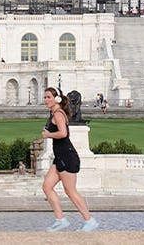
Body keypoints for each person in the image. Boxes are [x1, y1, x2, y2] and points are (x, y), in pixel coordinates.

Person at [41, 86, 98, 232]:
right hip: (60, 157)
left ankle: (89, 220)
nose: (46, 100)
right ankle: (61, 220)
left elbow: (63, 133)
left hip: (67, 157)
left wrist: (48, 135)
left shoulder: (58, 114)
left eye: (49, 97)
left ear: (57, 99)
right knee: (47, 186)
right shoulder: (54, 112)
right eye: (45, 97)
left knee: (70, 191)